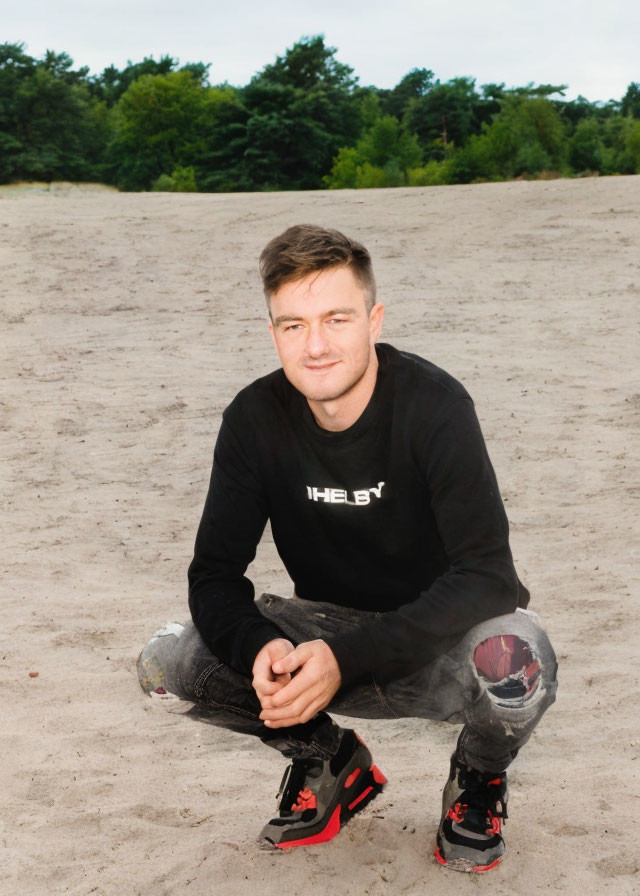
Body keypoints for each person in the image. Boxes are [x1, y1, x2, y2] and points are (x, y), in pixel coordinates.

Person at [138, 224, 557, 873]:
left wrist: (345, 657)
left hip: (431, 646)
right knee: (167, 659)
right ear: (274, 331)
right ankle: (328, 759)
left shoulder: (433, 405)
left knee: (521, 656)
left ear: (373, 319)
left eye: (336, 318)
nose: (317, 345)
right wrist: (264, 648)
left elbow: (490, 576)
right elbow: (215, 576)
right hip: (320, 636)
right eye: (293, 325)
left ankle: (477, 780)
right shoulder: (254, 419)